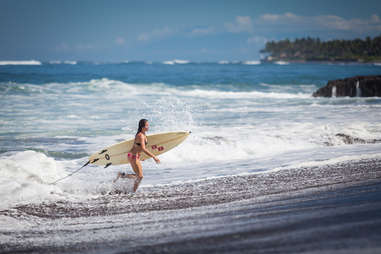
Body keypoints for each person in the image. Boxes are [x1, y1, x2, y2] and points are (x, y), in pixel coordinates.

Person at [113, 119, 160, 192]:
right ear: (142, 127)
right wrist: (154, 157)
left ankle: (122, 175)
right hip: (133, 156)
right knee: (140, 176)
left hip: (135, 155)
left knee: (139, 176)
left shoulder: (143, 134)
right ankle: (133, 191)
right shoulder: (140, 136)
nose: (148, 127)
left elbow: (137, 147)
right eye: (147, 125)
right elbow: (143, 148)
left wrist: (141, 157)